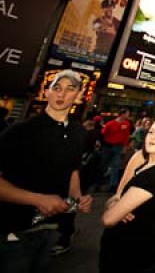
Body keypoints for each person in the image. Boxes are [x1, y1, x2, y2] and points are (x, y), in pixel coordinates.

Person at [0, 70, 92, 272]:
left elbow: (72, 171)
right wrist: (37, 199)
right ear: (47, 93)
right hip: (14, 229)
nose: (61, 94)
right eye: (57, 88)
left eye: (70, 89)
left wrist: (78, 199)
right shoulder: (21, 131)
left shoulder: (78, 133)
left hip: (51, 229)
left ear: (78, 96)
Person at [99, 113, 155, 273]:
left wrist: (117, 209)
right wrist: (117, 204)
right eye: (151, 131)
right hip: (117, 251)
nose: (153, 137)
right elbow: (117, 196)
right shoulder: (141, 161)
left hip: (132, 255)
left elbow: (108, 219)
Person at [101, 108, 132, 190]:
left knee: (116, 165)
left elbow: (126, 136)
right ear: (122, 114)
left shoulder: (127, 124)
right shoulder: (110, 123)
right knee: (104, 164)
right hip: (108, 146)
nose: (128, 115)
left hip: (118, 146)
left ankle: (112, 184)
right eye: (127, 113)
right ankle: (98, 182)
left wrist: (125, 147)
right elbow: (103, 133)